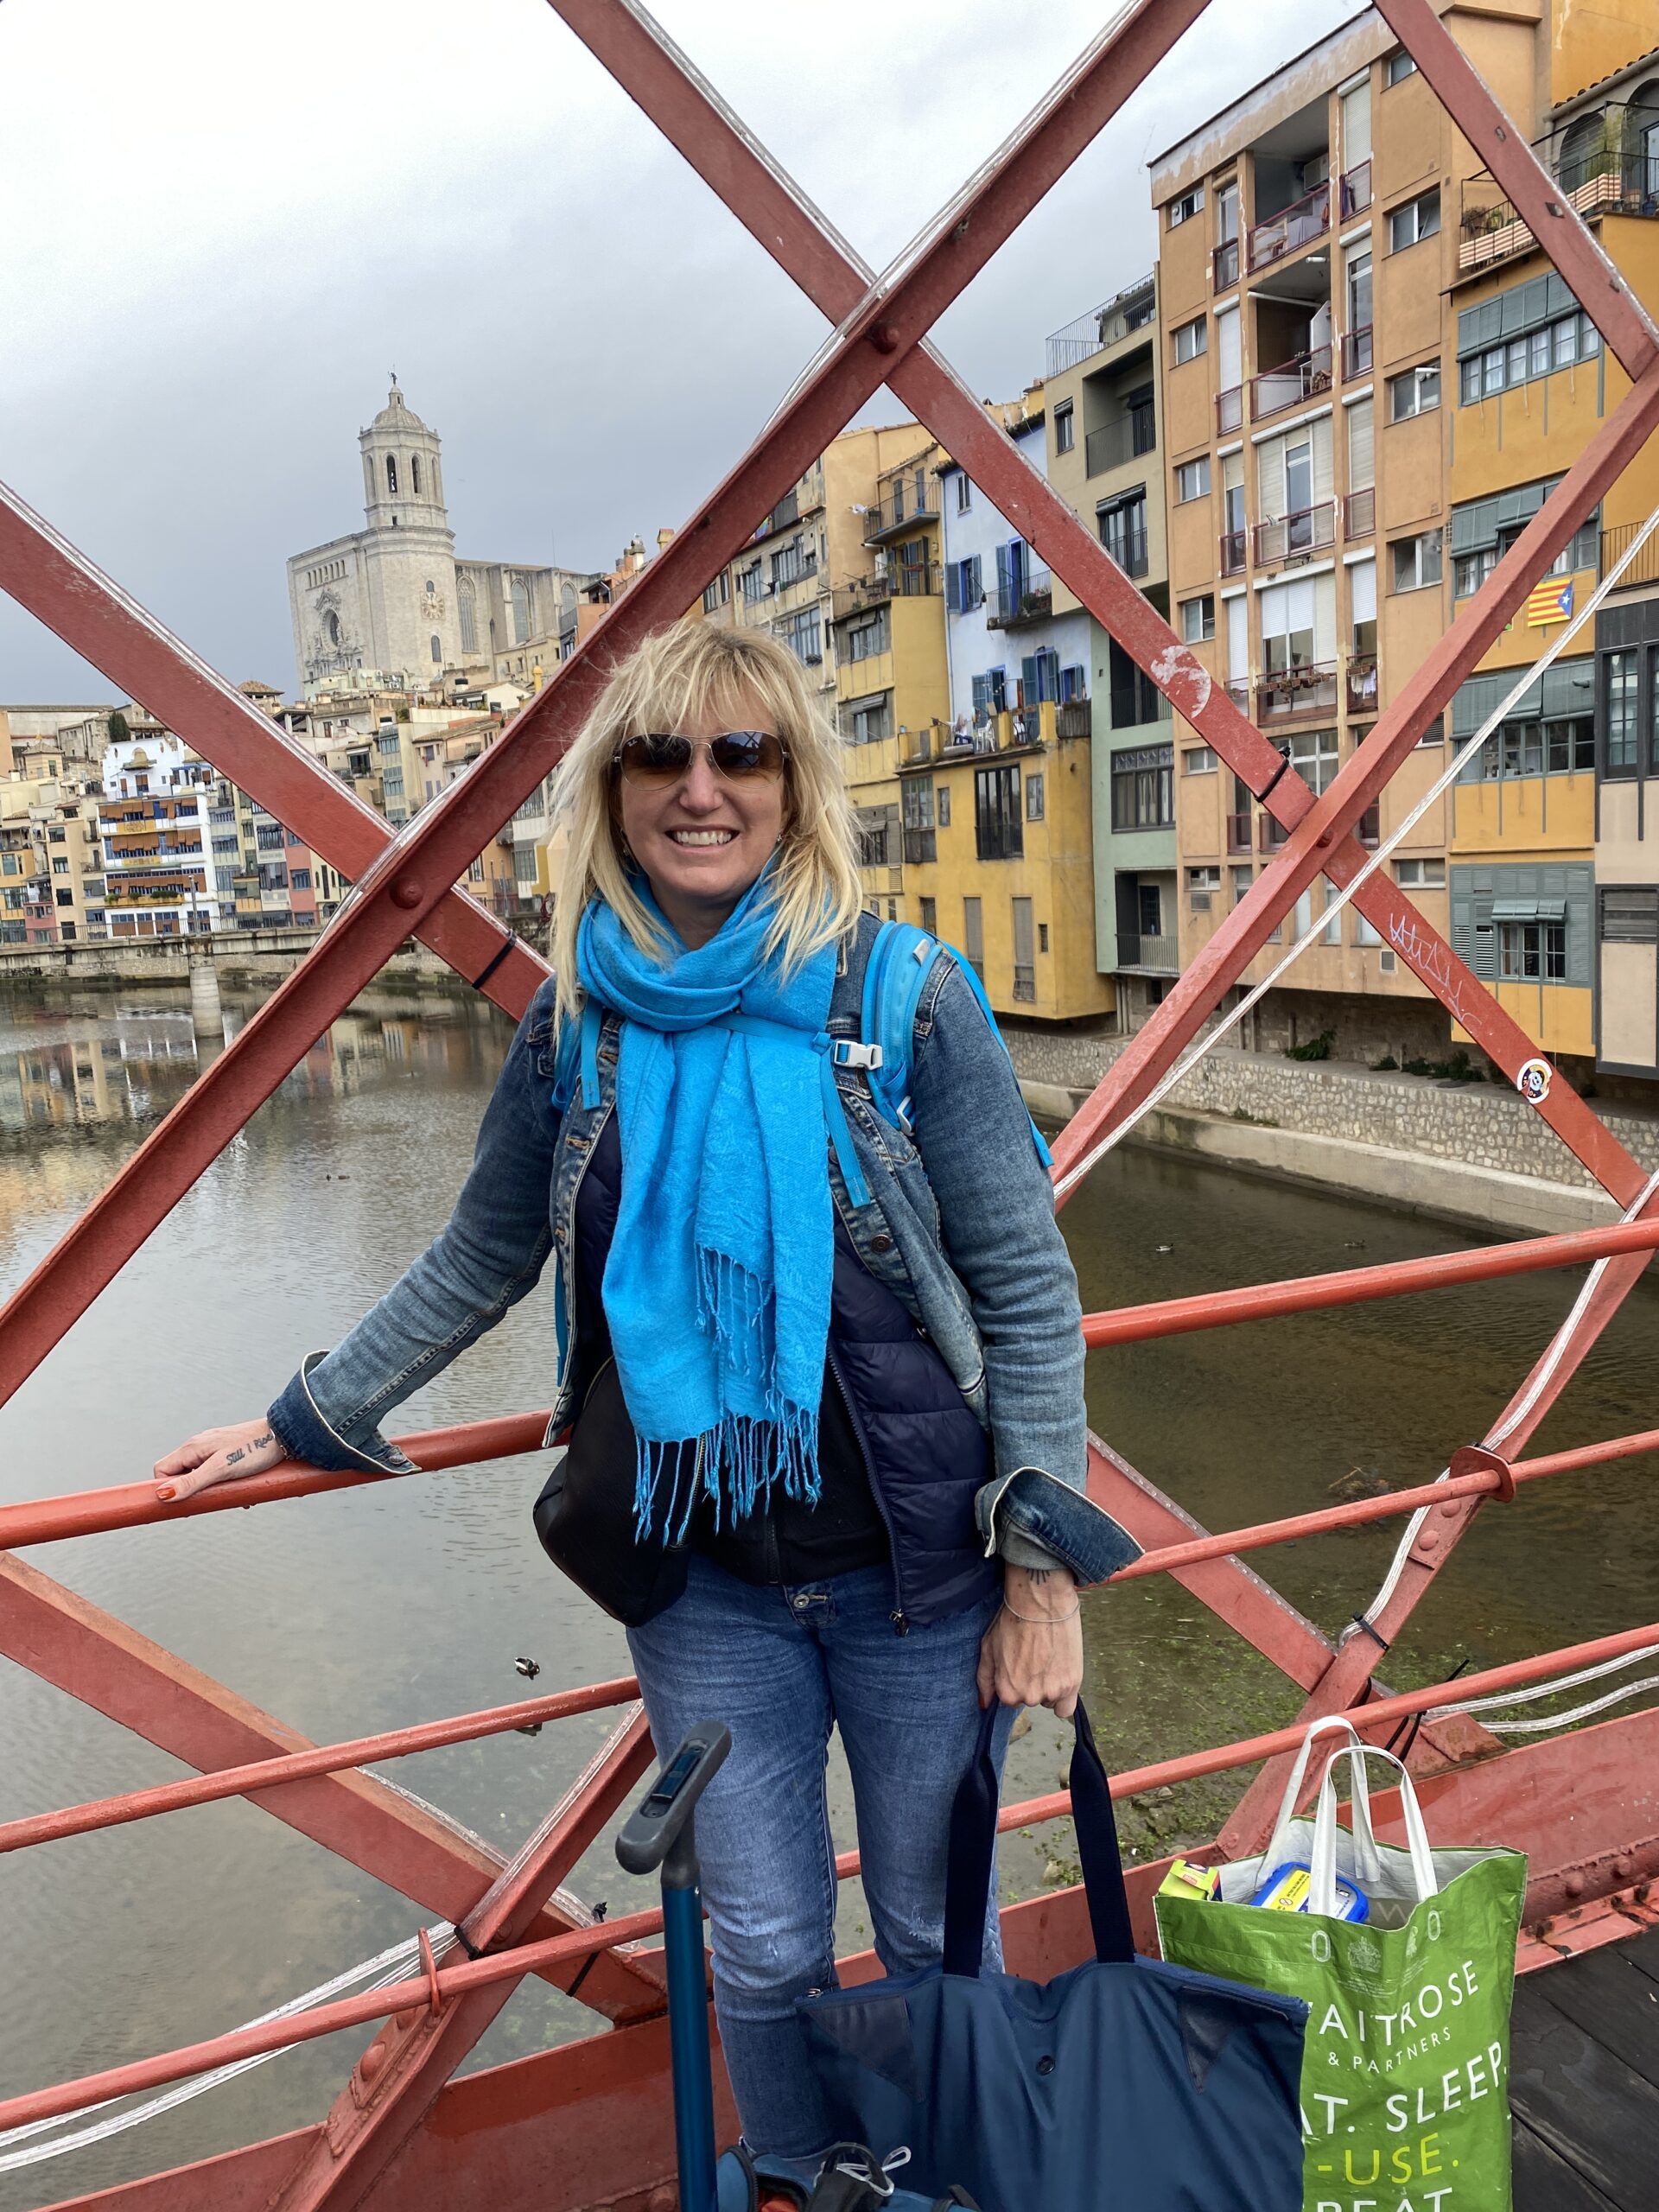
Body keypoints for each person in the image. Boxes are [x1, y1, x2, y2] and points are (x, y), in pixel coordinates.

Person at [154, 621, 1134, 2171]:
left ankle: (951, 2180)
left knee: (939, 1928)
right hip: (706, 1585)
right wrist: (301, 1416)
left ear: (793, 782)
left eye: (741, 754)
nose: (700, 789)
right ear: (608, 795)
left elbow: (1028, 1294)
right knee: (757, 1944)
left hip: (924, 1576)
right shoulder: (578, 1026)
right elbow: (481, 1255)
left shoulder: (903, 998)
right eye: (659, 757)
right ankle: (814, 2179)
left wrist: (1044, 1585)